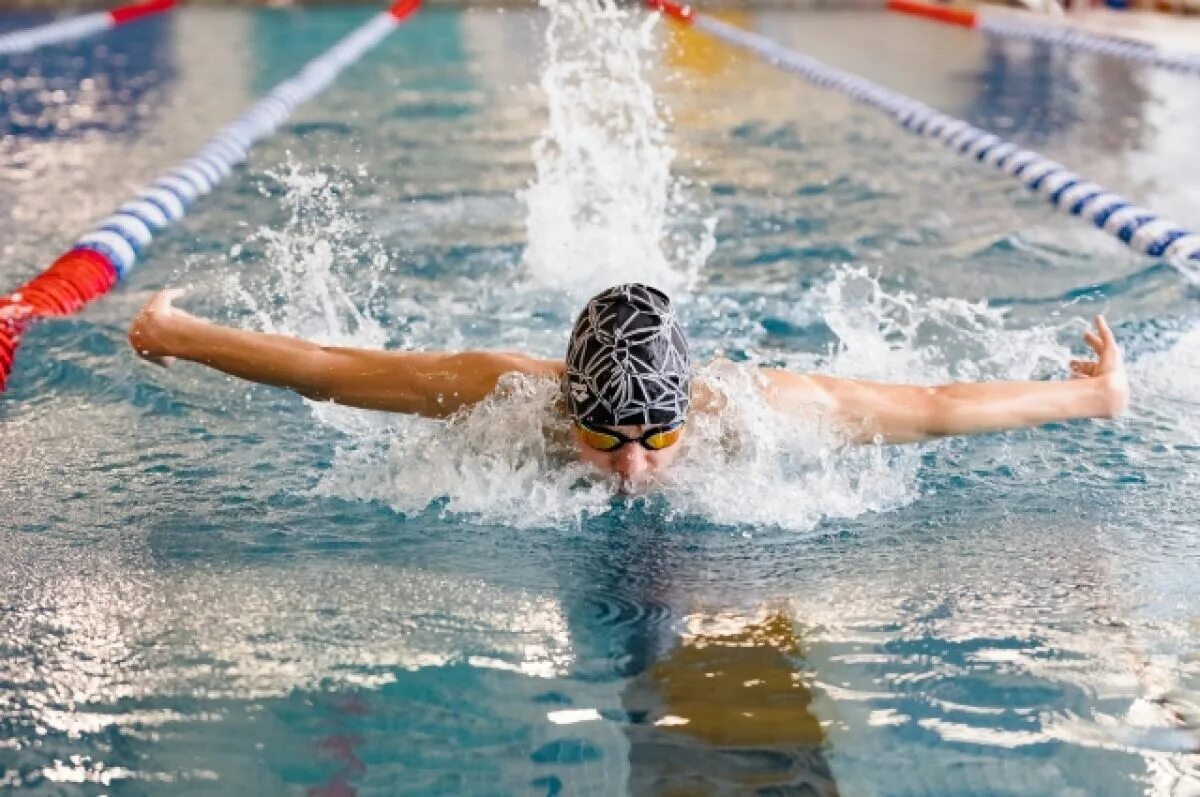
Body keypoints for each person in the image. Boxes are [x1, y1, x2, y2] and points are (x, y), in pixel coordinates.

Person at [127, 282, 1129, 487]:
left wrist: (1092, 396)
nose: (631, 469)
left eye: (656, 439)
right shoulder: (504, 391)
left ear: (690, 407)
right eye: (605, 440)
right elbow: (335, 373)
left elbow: (935, 408)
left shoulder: (760, 409)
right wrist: (179, 330)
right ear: (569, 403)